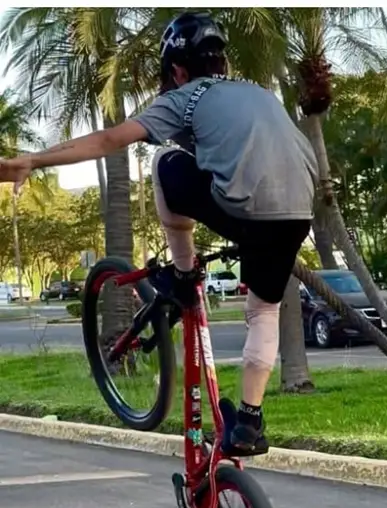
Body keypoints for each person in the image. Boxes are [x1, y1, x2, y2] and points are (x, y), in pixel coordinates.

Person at [0, 12, 317, 456]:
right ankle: (249, 422)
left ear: (178, 70)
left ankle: (184, 276)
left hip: (243, 210)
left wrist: (33, 161)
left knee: (164, 163)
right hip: (297, 213)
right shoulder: (257, 94)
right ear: (220, 62)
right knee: (263, 312)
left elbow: (111, 140)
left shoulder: (187, 95)